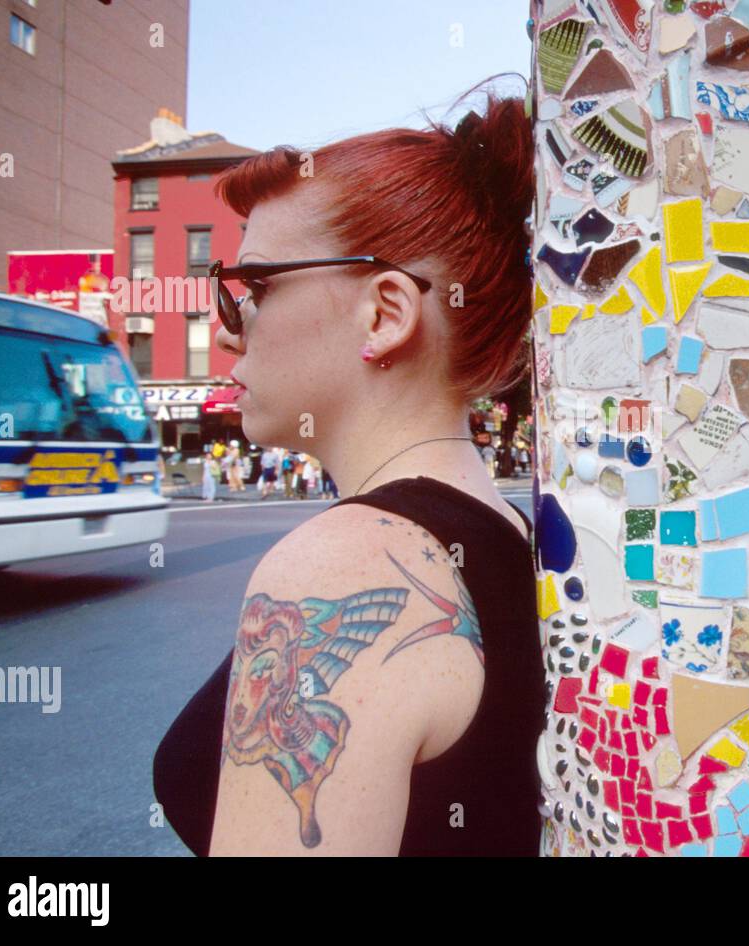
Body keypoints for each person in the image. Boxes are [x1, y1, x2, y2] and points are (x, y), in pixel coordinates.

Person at [153, 85, 542, 856]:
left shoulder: (341, 564)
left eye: (253, 289)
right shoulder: (510, 534)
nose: (225, 332)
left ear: (385, 313)